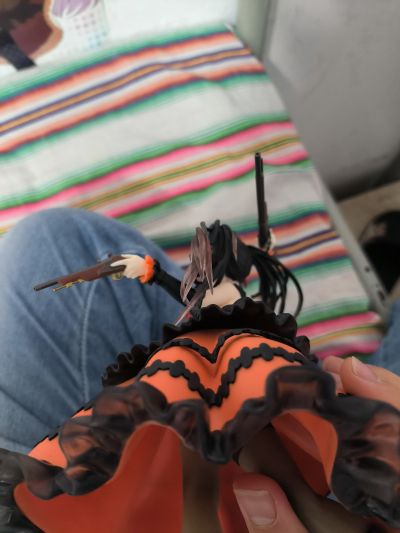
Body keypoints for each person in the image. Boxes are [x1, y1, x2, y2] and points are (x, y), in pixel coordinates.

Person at [0, 208, 398, 533]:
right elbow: (163, 281)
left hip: (225, 363)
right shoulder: (205, 300)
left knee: (246, 445)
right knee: (227, 448)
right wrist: (136, 270)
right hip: (211, 363)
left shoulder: (227, 300)